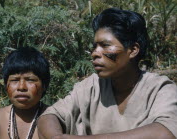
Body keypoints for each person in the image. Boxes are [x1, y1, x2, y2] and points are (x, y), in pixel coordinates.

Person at [37, 8, 177, 139]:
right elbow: (49, 117)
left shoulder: (161, 89)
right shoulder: (90, 87)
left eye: (105, 45)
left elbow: (164, 133)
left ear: (133, 50)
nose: (95, 53)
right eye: (94, 47)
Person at [0, 47, 50, 139]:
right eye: (15, 80)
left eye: (30, 80)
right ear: (6, 85)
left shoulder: (53, 118)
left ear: (44, 85)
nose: (21, 87)